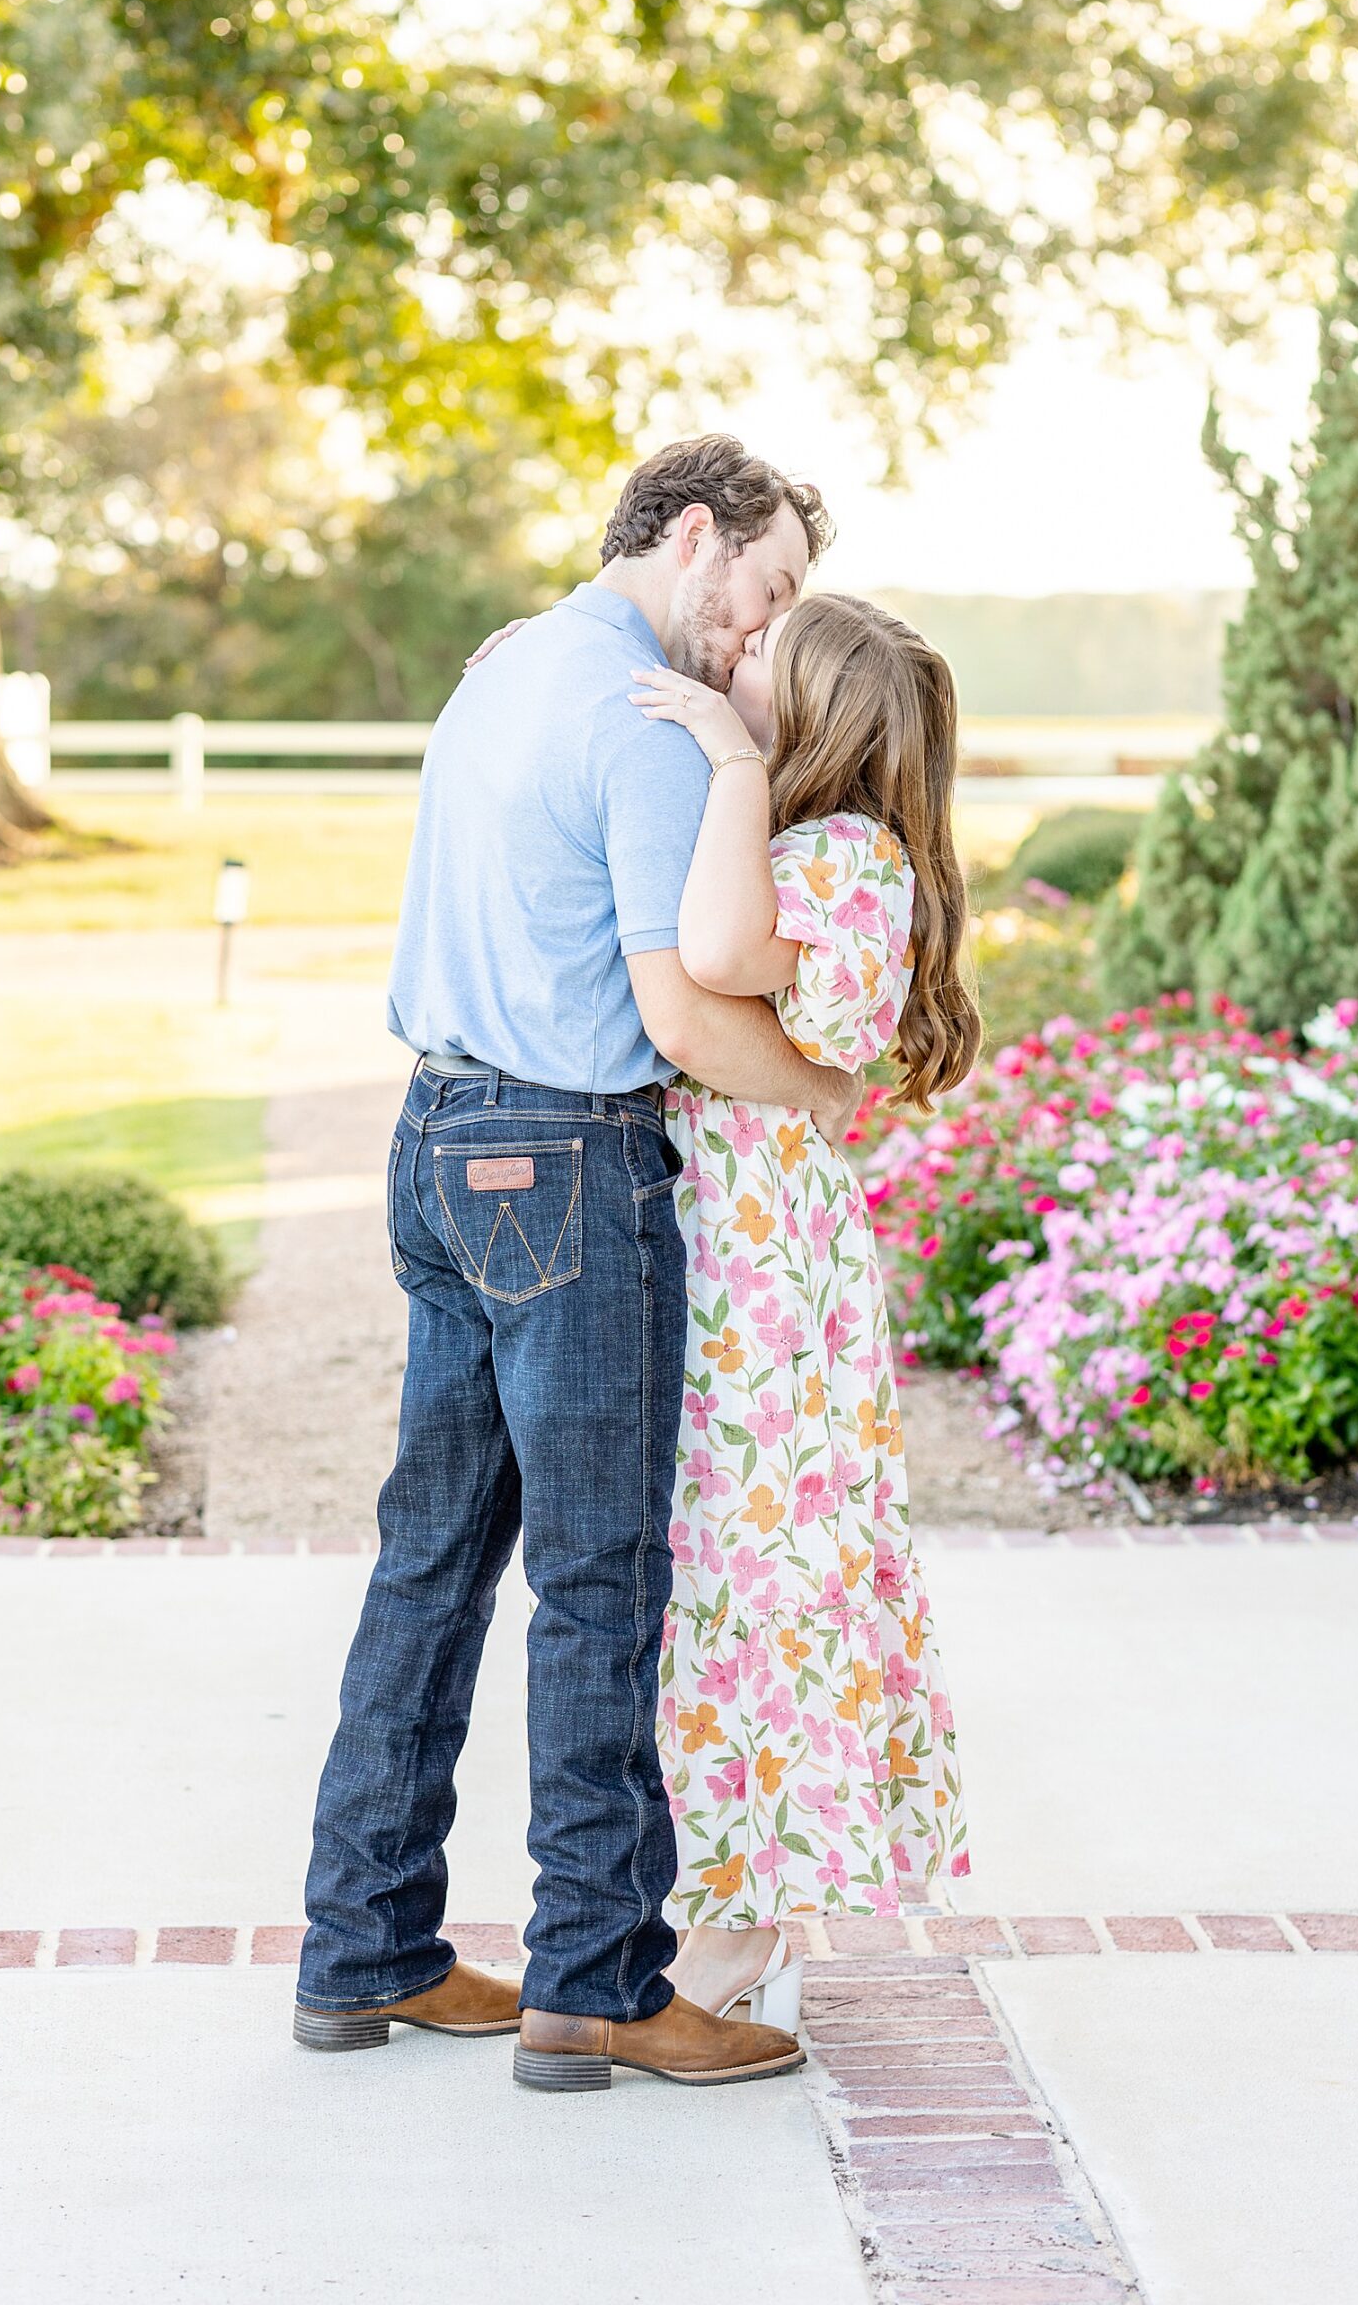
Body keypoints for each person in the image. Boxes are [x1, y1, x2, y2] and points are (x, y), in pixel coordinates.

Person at [294, 436, 868, 2093]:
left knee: (432, 1566)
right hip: (568, 1154)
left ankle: (366, 1948)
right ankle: (602, 1980)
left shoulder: (505, 672)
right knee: (603, 1591)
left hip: (435, 1141)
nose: (749, 637)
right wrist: (828, 1088)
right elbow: (685, 1007)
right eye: (759, 594)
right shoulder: (641, 724)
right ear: (695, 537)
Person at [632, 592, 979, 2028]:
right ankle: (715, 1903)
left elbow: (712, 957)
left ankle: (742, 1935)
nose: (737, 648)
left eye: (765, 651)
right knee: (720, 1574)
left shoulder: (844, 855)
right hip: (748, 1236)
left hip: (771, 1264)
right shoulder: (816, 845)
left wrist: (722, 758)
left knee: (761, 1577)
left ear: (818, 711)